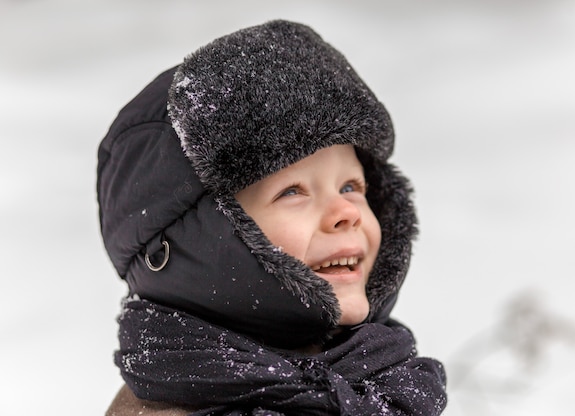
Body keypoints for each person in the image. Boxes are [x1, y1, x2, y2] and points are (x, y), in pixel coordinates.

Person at [98, 20, 447, 415]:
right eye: (292, 192)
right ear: (192, 242)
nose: (345, 213)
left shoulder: (384, 379)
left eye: (351, 186)